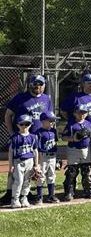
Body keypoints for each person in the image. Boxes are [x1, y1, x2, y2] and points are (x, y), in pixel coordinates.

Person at [2, 74, 53, 205]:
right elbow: (8, 115)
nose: (38, 86)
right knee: (15, 167)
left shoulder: (47, 99)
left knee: (34, 167)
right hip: (21, 138)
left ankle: (27, 194)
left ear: (44, 86)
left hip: (38, 139)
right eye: (35, 84)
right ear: (30, 85)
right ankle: (10, 194)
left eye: (40, 84)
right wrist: (12, 133)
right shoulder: (20, 97)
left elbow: (49, 118)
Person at [61, 73, 91, 185]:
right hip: (80, 133)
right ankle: (74, 178)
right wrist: (74, 121)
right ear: (83, 84)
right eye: (89, 82)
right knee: (79, 157)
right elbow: (64, 111)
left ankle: (90, 178)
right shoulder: (75, 97)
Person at [61, 104, 91, 200]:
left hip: (85, 150)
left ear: (87, 114)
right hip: (73, 150)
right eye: (79, 113)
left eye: (84, 112)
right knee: (72, 171)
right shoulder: (71, 124)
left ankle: (88, 191)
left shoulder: (89, 124)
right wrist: (73, 139)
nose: (81, 115)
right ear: (75, 114)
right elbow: (63, 137)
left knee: (86, 170)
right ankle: (70, 192)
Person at [7, 114, 39, 208]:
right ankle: (15, 199)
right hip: (18, 161)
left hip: (29, 161)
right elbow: (10, 152)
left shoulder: (33, 137)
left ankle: (24, 197)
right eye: (22, 124)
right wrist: (11, 165)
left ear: (30, 125)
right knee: (18, 180)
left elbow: (35, 151)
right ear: (17, 125)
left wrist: (36, 164)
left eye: (27, 124)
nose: (24, 126)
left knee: (27, 180)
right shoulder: (15, 137)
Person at [34, 111, 60, 204]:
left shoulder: (54, 131)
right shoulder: (38, 133)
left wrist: (58, 158)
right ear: (43, 121)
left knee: (51, 175)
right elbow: (35, 148)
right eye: (50, 121)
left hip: (52, 156)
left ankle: (51, 195)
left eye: (54, 121)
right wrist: (36, 162)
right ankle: (39, 196)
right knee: (40, 176)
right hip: (42, 156)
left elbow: (55, 144)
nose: (53, 122)